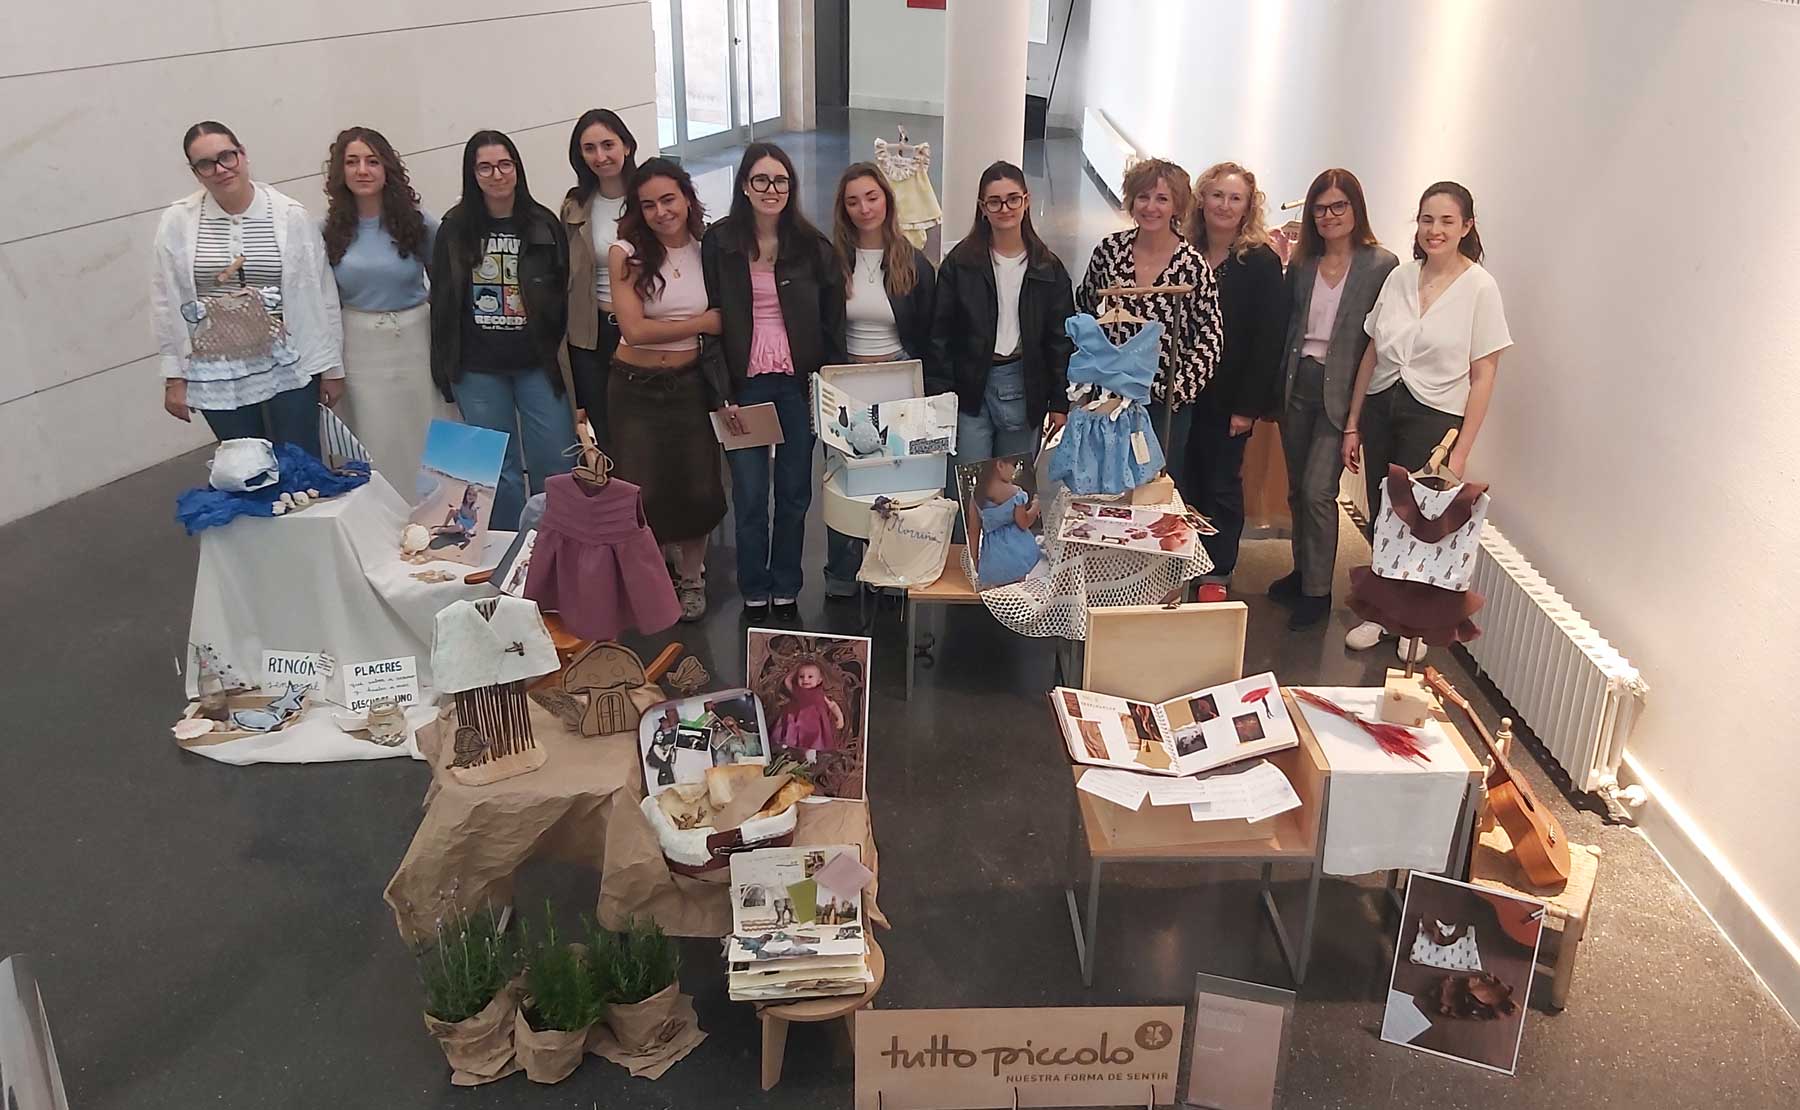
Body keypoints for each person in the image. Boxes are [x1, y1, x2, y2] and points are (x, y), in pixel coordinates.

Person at [1342, 181, 1511, 658]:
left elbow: (1484, 374)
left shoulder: (1480, 287)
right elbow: (1372, 352)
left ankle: (1412, 626)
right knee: (1384, 514)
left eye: (1447, 221)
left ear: (1467, 227)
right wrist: (1353, 421)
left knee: (1420, 523)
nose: (1435, 230)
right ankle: (1380, 614)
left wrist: (1461, 452)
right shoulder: (1400, 277)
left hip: (1435, 414)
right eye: (1427, 219)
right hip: (1382, 404)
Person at [702, 143, 845, 620]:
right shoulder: (719, 244)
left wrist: (826, 386)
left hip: (795, 386)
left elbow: (831, 323)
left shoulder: (812, 246)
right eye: (760, 180)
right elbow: (710, 324)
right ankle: (753, 585)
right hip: (743, 387)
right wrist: (720, 391)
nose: (771, 189)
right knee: (747, 494)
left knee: (794, 493)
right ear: (744, 185)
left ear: (791, 187)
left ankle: (785, 584)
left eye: (780, 180)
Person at [152, 121, 343, 458]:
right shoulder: (177, 222)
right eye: (206, 164)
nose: (220, 169)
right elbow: (165, 302)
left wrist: (331, 368)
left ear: (242, 154)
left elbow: (322, 293)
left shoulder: (290, 215)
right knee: (244, 467)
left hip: (290, 364)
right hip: (218, 370)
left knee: (299, 462)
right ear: (195, 173)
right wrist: (174, 378)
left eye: (227, 156)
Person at [1268, 169, 1400, 629]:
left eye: (1338, 206)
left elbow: (1380, 337)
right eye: (1320, 209)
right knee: (1296, 490)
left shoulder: (1381, 265)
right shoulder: (1305, 263)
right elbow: (1290, 327)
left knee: (1318, 491)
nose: (1329, 216)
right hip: (1297, 384)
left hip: (1341, 391)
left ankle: (1317, 592)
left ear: (1356, 208)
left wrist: (1359, 415)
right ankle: (1302, 570)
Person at [429, 130, 576, 531]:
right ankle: (508, 549)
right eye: (485, 167)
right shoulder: (454, 229)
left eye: (504, 164)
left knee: (556, 462)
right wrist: (444, 372)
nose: (497, 175)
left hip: (537, 364)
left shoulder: (543, 224)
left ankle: (555, 547)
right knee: (497, 472)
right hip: (477, 369)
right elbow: (442, 304)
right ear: (472, 174)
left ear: (517, 168)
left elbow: (561, 295)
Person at [608, 158, 726, 622]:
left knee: (698, 486)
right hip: (634, 388)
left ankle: (693, 578)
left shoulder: (707, 248)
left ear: (687, 198)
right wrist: (702, 323)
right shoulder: (625, 253)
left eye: (669, 199)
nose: (661, 212)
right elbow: (634, 330)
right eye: (649, 205)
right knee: (644, 490)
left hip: (690, 383)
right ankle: (654, 579)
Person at [823, 161, 940, 599]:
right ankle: (841, 574)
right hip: (844, 381)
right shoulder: (831, 262)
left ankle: (891, 570)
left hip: (898, 378)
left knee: (894, 481)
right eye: (853, 201)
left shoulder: (913, 262)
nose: (864, 208)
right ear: (844, 208)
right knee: (843, 480)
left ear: (887, 200)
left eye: (871, 197)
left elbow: (927, 330)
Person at [1076, 158, 1221, 498]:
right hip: (1110, 398)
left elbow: (1210, 336)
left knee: (1154, 492)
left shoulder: (1192, 265)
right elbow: (1085, 309)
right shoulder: (1109, 251)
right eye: (1143, 197)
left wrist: (1177, 390)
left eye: (1162, 199)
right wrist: (1092, 373)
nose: (1151, 207)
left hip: (1164, 407)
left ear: (1177, 206)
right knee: (1106, 488)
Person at [931, 161, 1075, 481]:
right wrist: (941, 393)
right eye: (994, 202)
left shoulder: (1048, 269)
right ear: (983, 208)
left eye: (1013, 199)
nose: (1005, 208)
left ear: (1026, 200)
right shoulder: (959, 265)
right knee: (971, 485)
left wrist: (1059, 401)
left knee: (1014, 488)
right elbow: (941, 333)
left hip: (1024, 382)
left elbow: (1059, 340)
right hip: (970, 386)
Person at [1186, 162, 1289, 598]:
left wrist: (1247, 408)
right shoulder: (1184, 251)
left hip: (1230, 398)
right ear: (1201, 200)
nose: (1224, 206)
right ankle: (1183, 559)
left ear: (1248, 207)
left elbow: (1268, 340)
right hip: (1183, 392)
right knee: (1183, 479)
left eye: (1235, 198)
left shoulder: (1260, 261)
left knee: (1221, 484)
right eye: (1217, 195)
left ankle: (1217, 569)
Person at [319, 126, 442, 479]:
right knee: (374, 436)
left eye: (372, 161)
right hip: (359, 348)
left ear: (387, 168)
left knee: (424, 431)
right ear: (340, 172)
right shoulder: (326, 231)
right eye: (352, 162)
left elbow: (445, 282)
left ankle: (435, 509)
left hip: (416, 342)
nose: (362, 170)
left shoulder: (418, 223)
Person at [559, 109, 638, 443]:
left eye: (608, 145)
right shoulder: (575, 205)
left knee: (642, 428)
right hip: (591, 334)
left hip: (643, 329)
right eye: (589, 148)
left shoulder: (648, 198)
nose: (600, 156)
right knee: (606, 430)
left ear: (627, 146)